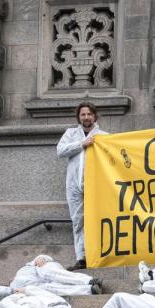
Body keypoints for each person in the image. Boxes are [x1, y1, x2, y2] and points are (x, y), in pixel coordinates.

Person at [57, 102, 107, 271]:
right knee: (78, 221)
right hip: (74, 185)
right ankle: (82, 257)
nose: (86, 117)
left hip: (96, 185)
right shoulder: (71, 134)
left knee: (97, 220)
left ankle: (99, 254)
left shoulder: (103, 136)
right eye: (83, 114)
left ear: (94, 116)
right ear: (79, 117)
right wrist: (81, 144)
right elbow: (60, 151)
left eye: (89, 114)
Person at [5, 254, 103, 296]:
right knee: (52, 288)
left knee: (49, 274)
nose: (10, 280)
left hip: (44, 269)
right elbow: (2, 292)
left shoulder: (23, 269)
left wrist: (40, 259)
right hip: (39, 286)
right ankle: (90, 290)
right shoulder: (14, 287)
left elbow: (45, 258)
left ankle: (88, 280)